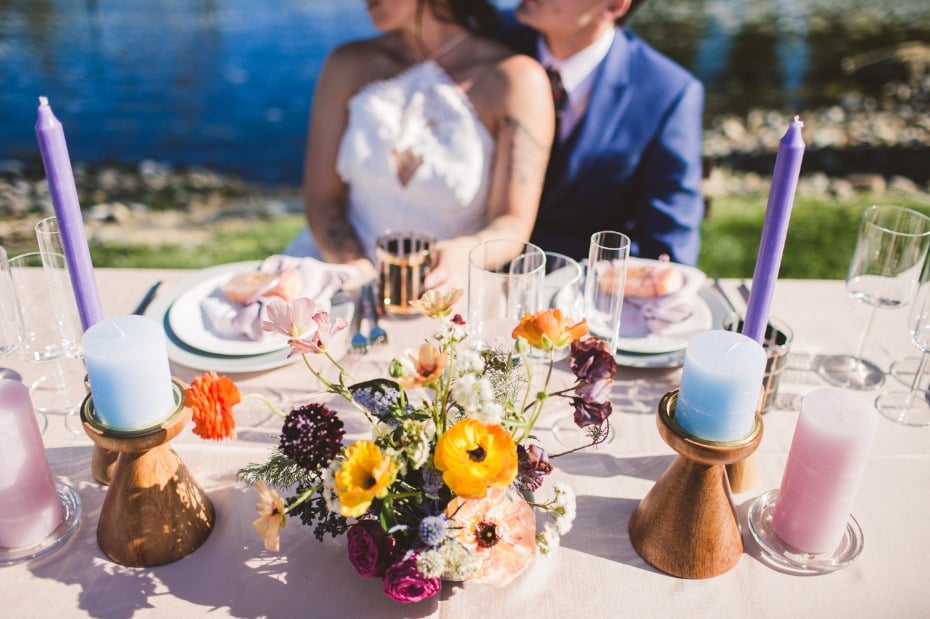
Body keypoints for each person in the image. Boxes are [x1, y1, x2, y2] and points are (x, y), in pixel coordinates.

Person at [284, 0, 554, 288]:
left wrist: (463, 254)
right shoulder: (346, 64)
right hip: (339, 272)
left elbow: (512, 222)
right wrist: (355, 268)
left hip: (448, 288)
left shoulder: (516, 81)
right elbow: (321, 199)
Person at [499, 0, 705, 265]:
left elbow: (667, 250)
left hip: (582, 289)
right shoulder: (482, 39)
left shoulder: (668, 93)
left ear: (613, 6)